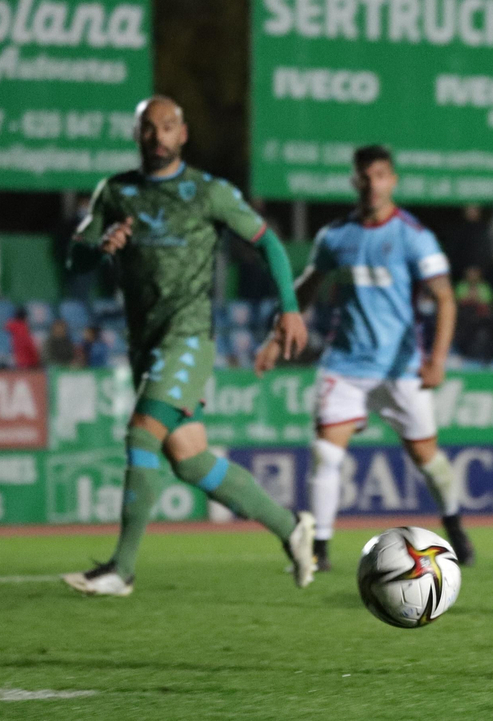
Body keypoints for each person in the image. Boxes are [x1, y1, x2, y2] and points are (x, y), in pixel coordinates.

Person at [60, 96, 315, 597]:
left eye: (169, 127)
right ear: (137, 134)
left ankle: (122, 570)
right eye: (149, 129)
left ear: (184, 133)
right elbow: (75, 261)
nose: (159, 137)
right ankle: (291, 527)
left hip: (189, 337)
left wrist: (289, 306)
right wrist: (98, 248)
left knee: (141, 434)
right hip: (145, 341)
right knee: (189, 458)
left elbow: (268, 241)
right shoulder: (115, 192)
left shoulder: (208, 192)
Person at [255, 145, 471, 572]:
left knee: (429, 461)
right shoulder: (335, 236)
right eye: (365, 176)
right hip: (345, 365)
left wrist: (438, 360)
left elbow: (446, 299)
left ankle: (454, 524)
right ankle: (318, 549)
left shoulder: (414, 236)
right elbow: (309, 288)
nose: (373, 184)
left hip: (400, 370)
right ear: (355, 181)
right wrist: (276, 338)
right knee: (326, 455)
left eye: (381, 175)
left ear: (393, 180)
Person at [446, 203, 493, 283]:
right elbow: (454, 251)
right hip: (462, 273)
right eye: (469, 210)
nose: (471, 213)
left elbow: (487, 251)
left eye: (474, 210)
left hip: (481, 273)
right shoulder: (458, 230)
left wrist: (480, 269)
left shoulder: (485, 229)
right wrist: (464, 269)